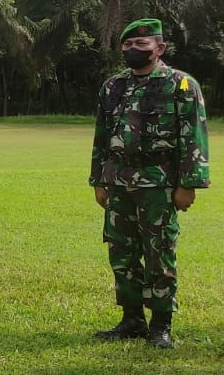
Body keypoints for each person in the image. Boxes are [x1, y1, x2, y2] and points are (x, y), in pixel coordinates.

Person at [89, 18, 210, 349]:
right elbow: (102, 136)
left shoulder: (181, 85)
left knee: (159, 252)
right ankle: (132, 319)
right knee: (122, 253)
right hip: (118, 182)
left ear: (160, 48)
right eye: (127, 45)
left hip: (158, 183)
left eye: (141, 45)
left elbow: (193, 136)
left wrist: (188, 184)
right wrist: (98, 180)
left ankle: (160, 324)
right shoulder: (112, 86)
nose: (133, 50)